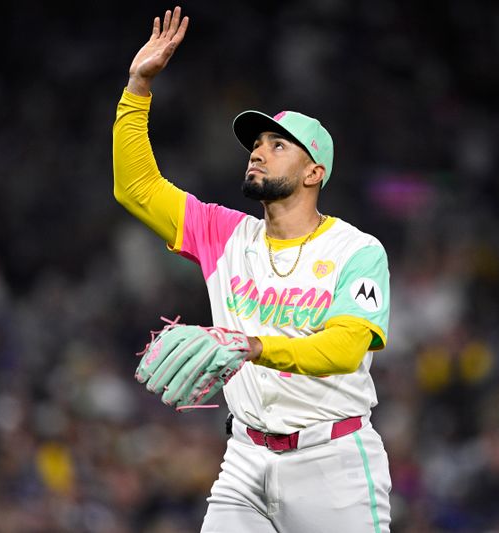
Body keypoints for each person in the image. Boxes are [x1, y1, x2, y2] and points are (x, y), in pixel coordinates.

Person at [113, 7, 392, 532]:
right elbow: (136, 188)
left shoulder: (358, 250)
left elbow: (346, 347)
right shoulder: (223, 233)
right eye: (256, 145)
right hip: (244, 456)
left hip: (333, 463)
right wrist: (138, 87)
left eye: (276, 145)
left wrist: (255, 346)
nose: (258, 153)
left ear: (315, 172)